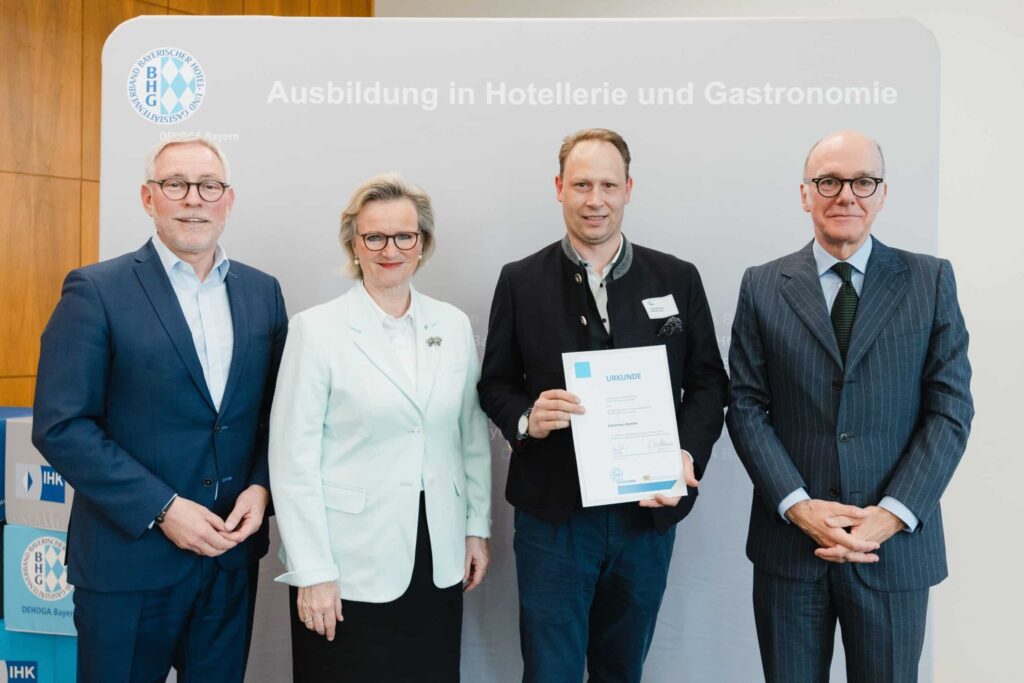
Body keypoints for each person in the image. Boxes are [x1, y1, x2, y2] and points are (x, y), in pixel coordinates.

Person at [31, 135, 288, 682]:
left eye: (208, 186)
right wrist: (164, 508)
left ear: (228, 199)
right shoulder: (96, 290)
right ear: (149, 198)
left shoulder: (262, 293)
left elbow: (276, 413)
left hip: (228, 561)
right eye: (176, 184)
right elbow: (62, 425)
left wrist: (262, 487)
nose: (194, 198)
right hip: (128, 564)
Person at [477, 128, 729, 683]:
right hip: (553, 520)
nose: (596, 199)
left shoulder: (677, 278)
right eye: (582, 184)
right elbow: (494, 383)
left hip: (646, 512)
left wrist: (686, 455)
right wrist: (526, 418)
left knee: (622, 669)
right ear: (559, 188)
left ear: (629, 189)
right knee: (550, 671)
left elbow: (709, 383)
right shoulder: (520, 281)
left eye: (608, 185)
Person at [727, 130, 974, 682]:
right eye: (829, 181)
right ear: (805, 193)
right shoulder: (762, 285)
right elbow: (744, 406)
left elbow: (951, 410)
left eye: (863, 182)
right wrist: (797, 505)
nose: (846, 195)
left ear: (882, 194)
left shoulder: (930, 280)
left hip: (894, 551)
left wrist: (893, 514)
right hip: (792, 550)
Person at [269, 172, 491, 683]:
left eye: (404, 236)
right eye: (374, 237)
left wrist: (476, 526)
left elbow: (470, 437)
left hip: (436, 553)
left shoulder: (453, 325)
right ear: (354, 243)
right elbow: (291, 460)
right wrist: (312, 571)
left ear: (423, 243)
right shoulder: (316, 330)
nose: (390, 250)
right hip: (345, 566)